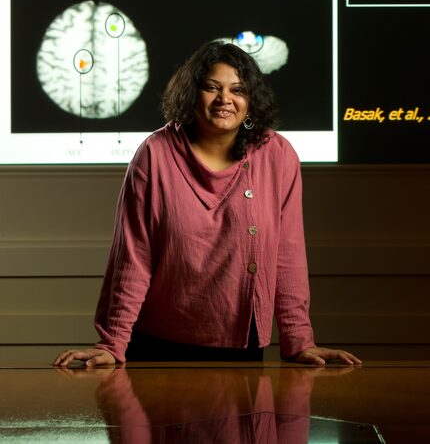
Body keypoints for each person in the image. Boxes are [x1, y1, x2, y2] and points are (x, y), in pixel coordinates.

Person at [54, 41, 361, 367]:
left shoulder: (277, 155)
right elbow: (133, 258)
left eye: (238, 90)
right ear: (192, 94)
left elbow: (287, 256)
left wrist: (299, 339)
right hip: (159, 344)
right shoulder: (155, 155)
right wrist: (112, 342)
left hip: (242, 345)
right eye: (212, 87)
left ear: (251, 100)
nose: (225, 99)